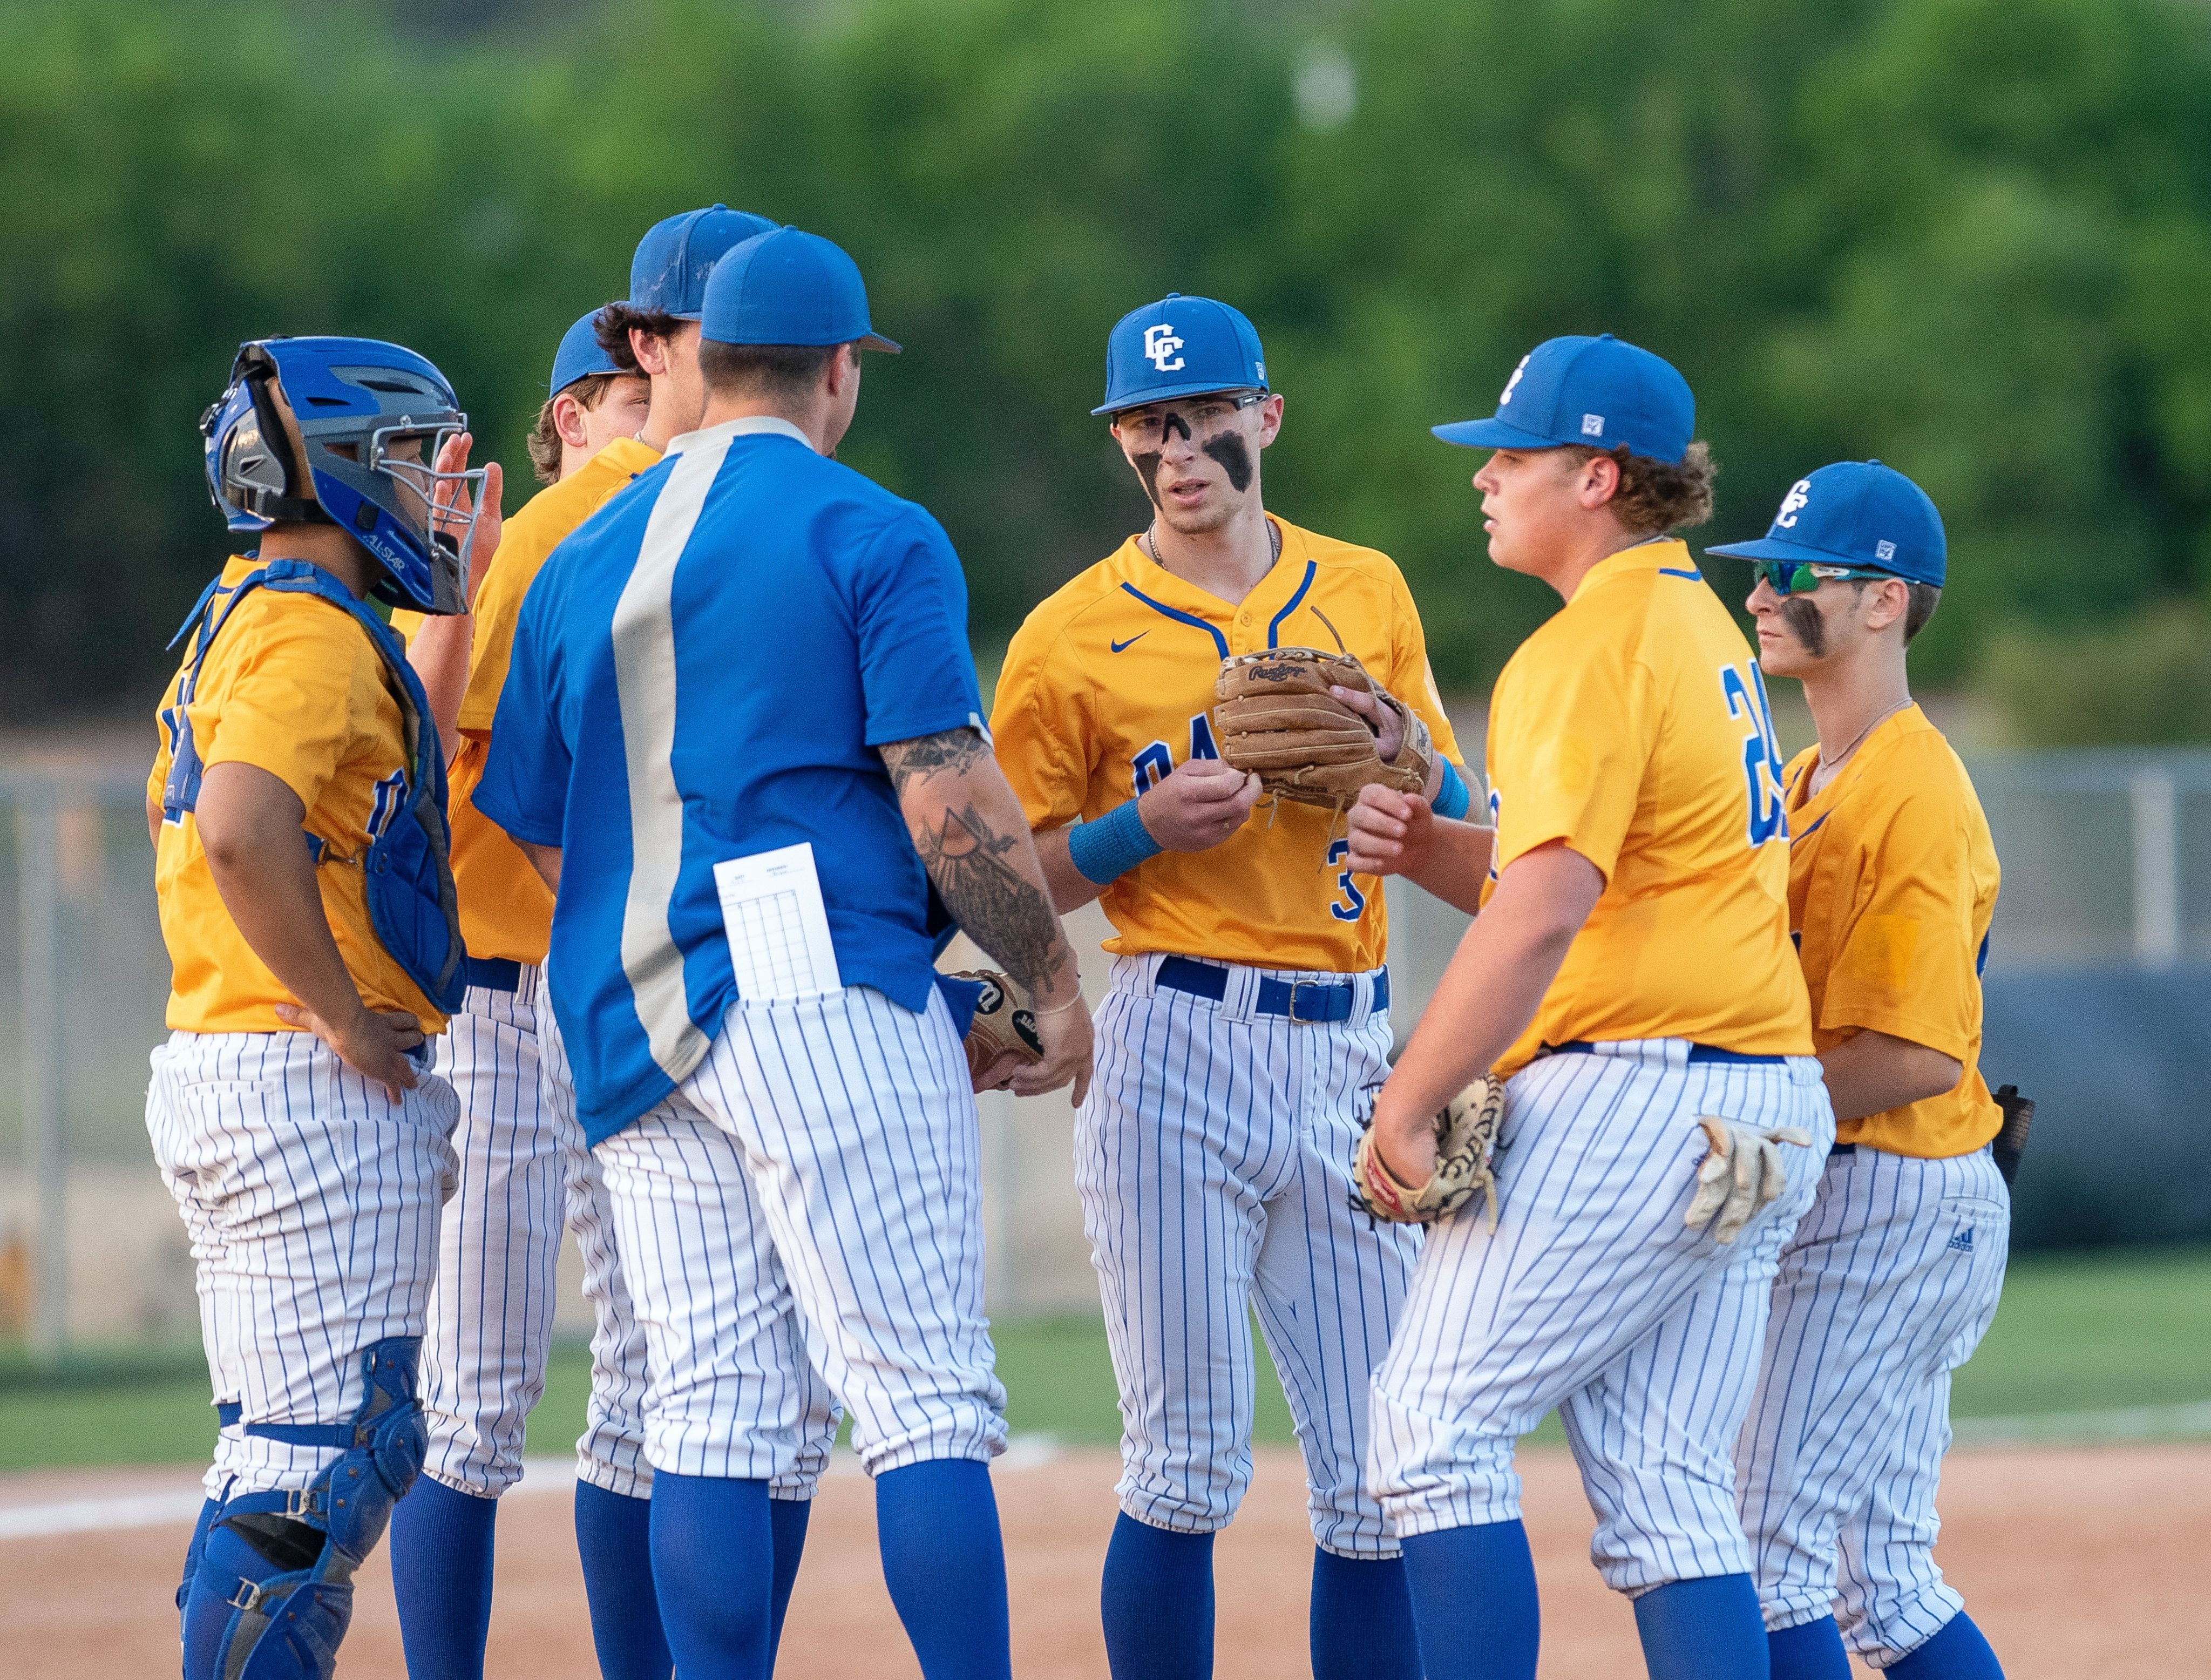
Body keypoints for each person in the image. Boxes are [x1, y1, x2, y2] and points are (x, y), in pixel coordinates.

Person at [474, 224, 1093, 1680]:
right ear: (836, 373)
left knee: (710, 1411)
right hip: (812, 984)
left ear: (692, 360)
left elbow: (545, 828)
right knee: (923, 1400)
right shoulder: (870, 530)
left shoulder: (577, 557)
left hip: (627, 1008)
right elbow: (945, 792)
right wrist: (1050, 989)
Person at [989, 293, 1471, 1679]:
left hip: (1347, 1043)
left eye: (1204, 416)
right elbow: (1000, 872)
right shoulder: (1069, 633)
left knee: (1382, 1473)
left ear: (1265, 417)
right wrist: (1136, 829)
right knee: (1185, 1461)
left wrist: (1400, 760)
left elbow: (1456, 797)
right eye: (1145, 423)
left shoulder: (1364, 586)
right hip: (1173, 1037)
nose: (1177, 446)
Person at [1346, 334, 1832, 1680]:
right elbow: (1574, 874)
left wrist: (1404, 1095)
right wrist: (1426, 842)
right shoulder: (1692, 627)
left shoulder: (1582, 650)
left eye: (1513, 453)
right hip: (1758, 1101)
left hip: (1639, 1096)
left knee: (1430, 1428)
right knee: (1672, 1484)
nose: (1486, 477)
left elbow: (1547, 907)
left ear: (1598, 476)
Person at [384, 208, 822, 1680]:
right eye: (656, 364)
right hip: (524, 997)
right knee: (501, 1390)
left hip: (618, 989)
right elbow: (489, 773)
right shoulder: (572, 527)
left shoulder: (707, 507)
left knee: (651, 1385)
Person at [147, 335, 489, 1680]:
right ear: (337, 470)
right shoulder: (307, 627)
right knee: (322, 1468)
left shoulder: (248, 606)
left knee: (281, 1451)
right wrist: (348, 1016)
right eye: (411, 461)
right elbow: (241, 826)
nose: (435, 492)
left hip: (233, 1058)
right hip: (298, 1076)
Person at [1712, 462, 2011, 1680]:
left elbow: (1914, 1048)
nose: (1762, 594)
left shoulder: (1913, 788)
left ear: (1884, 601)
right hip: (1877, 1190)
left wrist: (1731, 1104)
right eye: (1758, 572)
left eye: (1793, 574)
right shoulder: (1806, 778)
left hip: (1896, 1194)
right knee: (1874, 1580)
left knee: (1766, 1552)